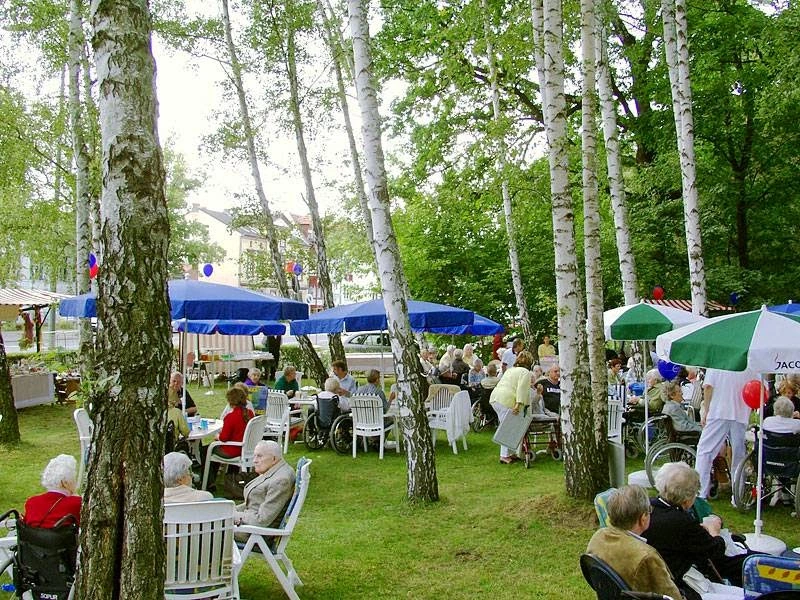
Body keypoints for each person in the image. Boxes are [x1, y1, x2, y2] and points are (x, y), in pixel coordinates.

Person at [644, 461, 749, 594]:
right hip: (681, 584)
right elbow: (715, 551)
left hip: (661, 576)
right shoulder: (682, 521)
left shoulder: (649, 508)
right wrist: (714, 531)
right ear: (687, 498)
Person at [586, 485, 682, 600]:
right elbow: (673, 597)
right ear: (643, 518)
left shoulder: (598, 538)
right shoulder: (647, 556)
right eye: (649, 511)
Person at [695, 368, 755, 499]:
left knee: (705, 451)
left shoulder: (718, 360)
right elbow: (760, 386)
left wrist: (706, 409)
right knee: (738, 455)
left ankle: (700, 493)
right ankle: (738, 495)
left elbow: (708, 387)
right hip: (740, 412)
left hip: (719, 411)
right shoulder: (748, 361)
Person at [233, 441, 295, 542]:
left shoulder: (280, 481)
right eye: (254, 456)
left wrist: (235, 516)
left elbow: (262, 520)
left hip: (255, 534)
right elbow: (254, 503)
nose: (255, 461)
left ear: (274, 458)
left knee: (205, 528)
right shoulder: (274, 470)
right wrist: (229, 510)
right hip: (249, 525)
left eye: (259, 456)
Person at [490, 350, 533, 464]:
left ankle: (510, 453)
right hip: (507, 400)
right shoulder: (525, 372)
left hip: (496, 398)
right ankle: (504, 456)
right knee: (508, 428)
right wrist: (518, 404)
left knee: (507, 426)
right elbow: (522, 389)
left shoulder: (510, 370)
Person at [24, 455, 82, 527]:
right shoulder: (77, 503)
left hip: (31, 538)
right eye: (74, 478)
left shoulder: (31, 502)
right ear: (65, 482)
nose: (75, 482)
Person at [214, 387, 255, 459]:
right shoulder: (250, 413)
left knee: (207, 449)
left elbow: (224, 438)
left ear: (230, 401)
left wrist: (217, 436)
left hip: (233, 450)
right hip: (247, 449)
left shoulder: (231, 417)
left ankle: (209, 470)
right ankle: (231, 470)